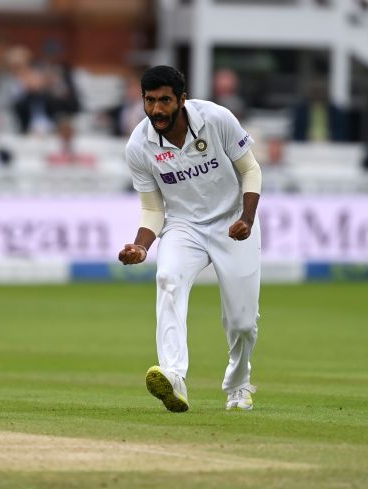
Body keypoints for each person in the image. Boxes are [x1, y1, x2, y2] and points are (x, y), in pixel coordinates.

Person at [119, 66, 263, 412]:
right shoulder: (139, 145)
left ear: (182, 100)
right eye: (149, 101)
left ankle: (238, 385)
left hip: (233, 222)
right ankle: (173, 376)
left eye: (165, 100)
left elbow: (251, 170)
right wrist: (141, 245)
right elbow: (153, 209)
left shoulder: (216, 119)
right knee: (168, 278)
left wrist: (246, 217)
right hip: (184, 226)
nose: (157, 110)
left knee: (242, 322)